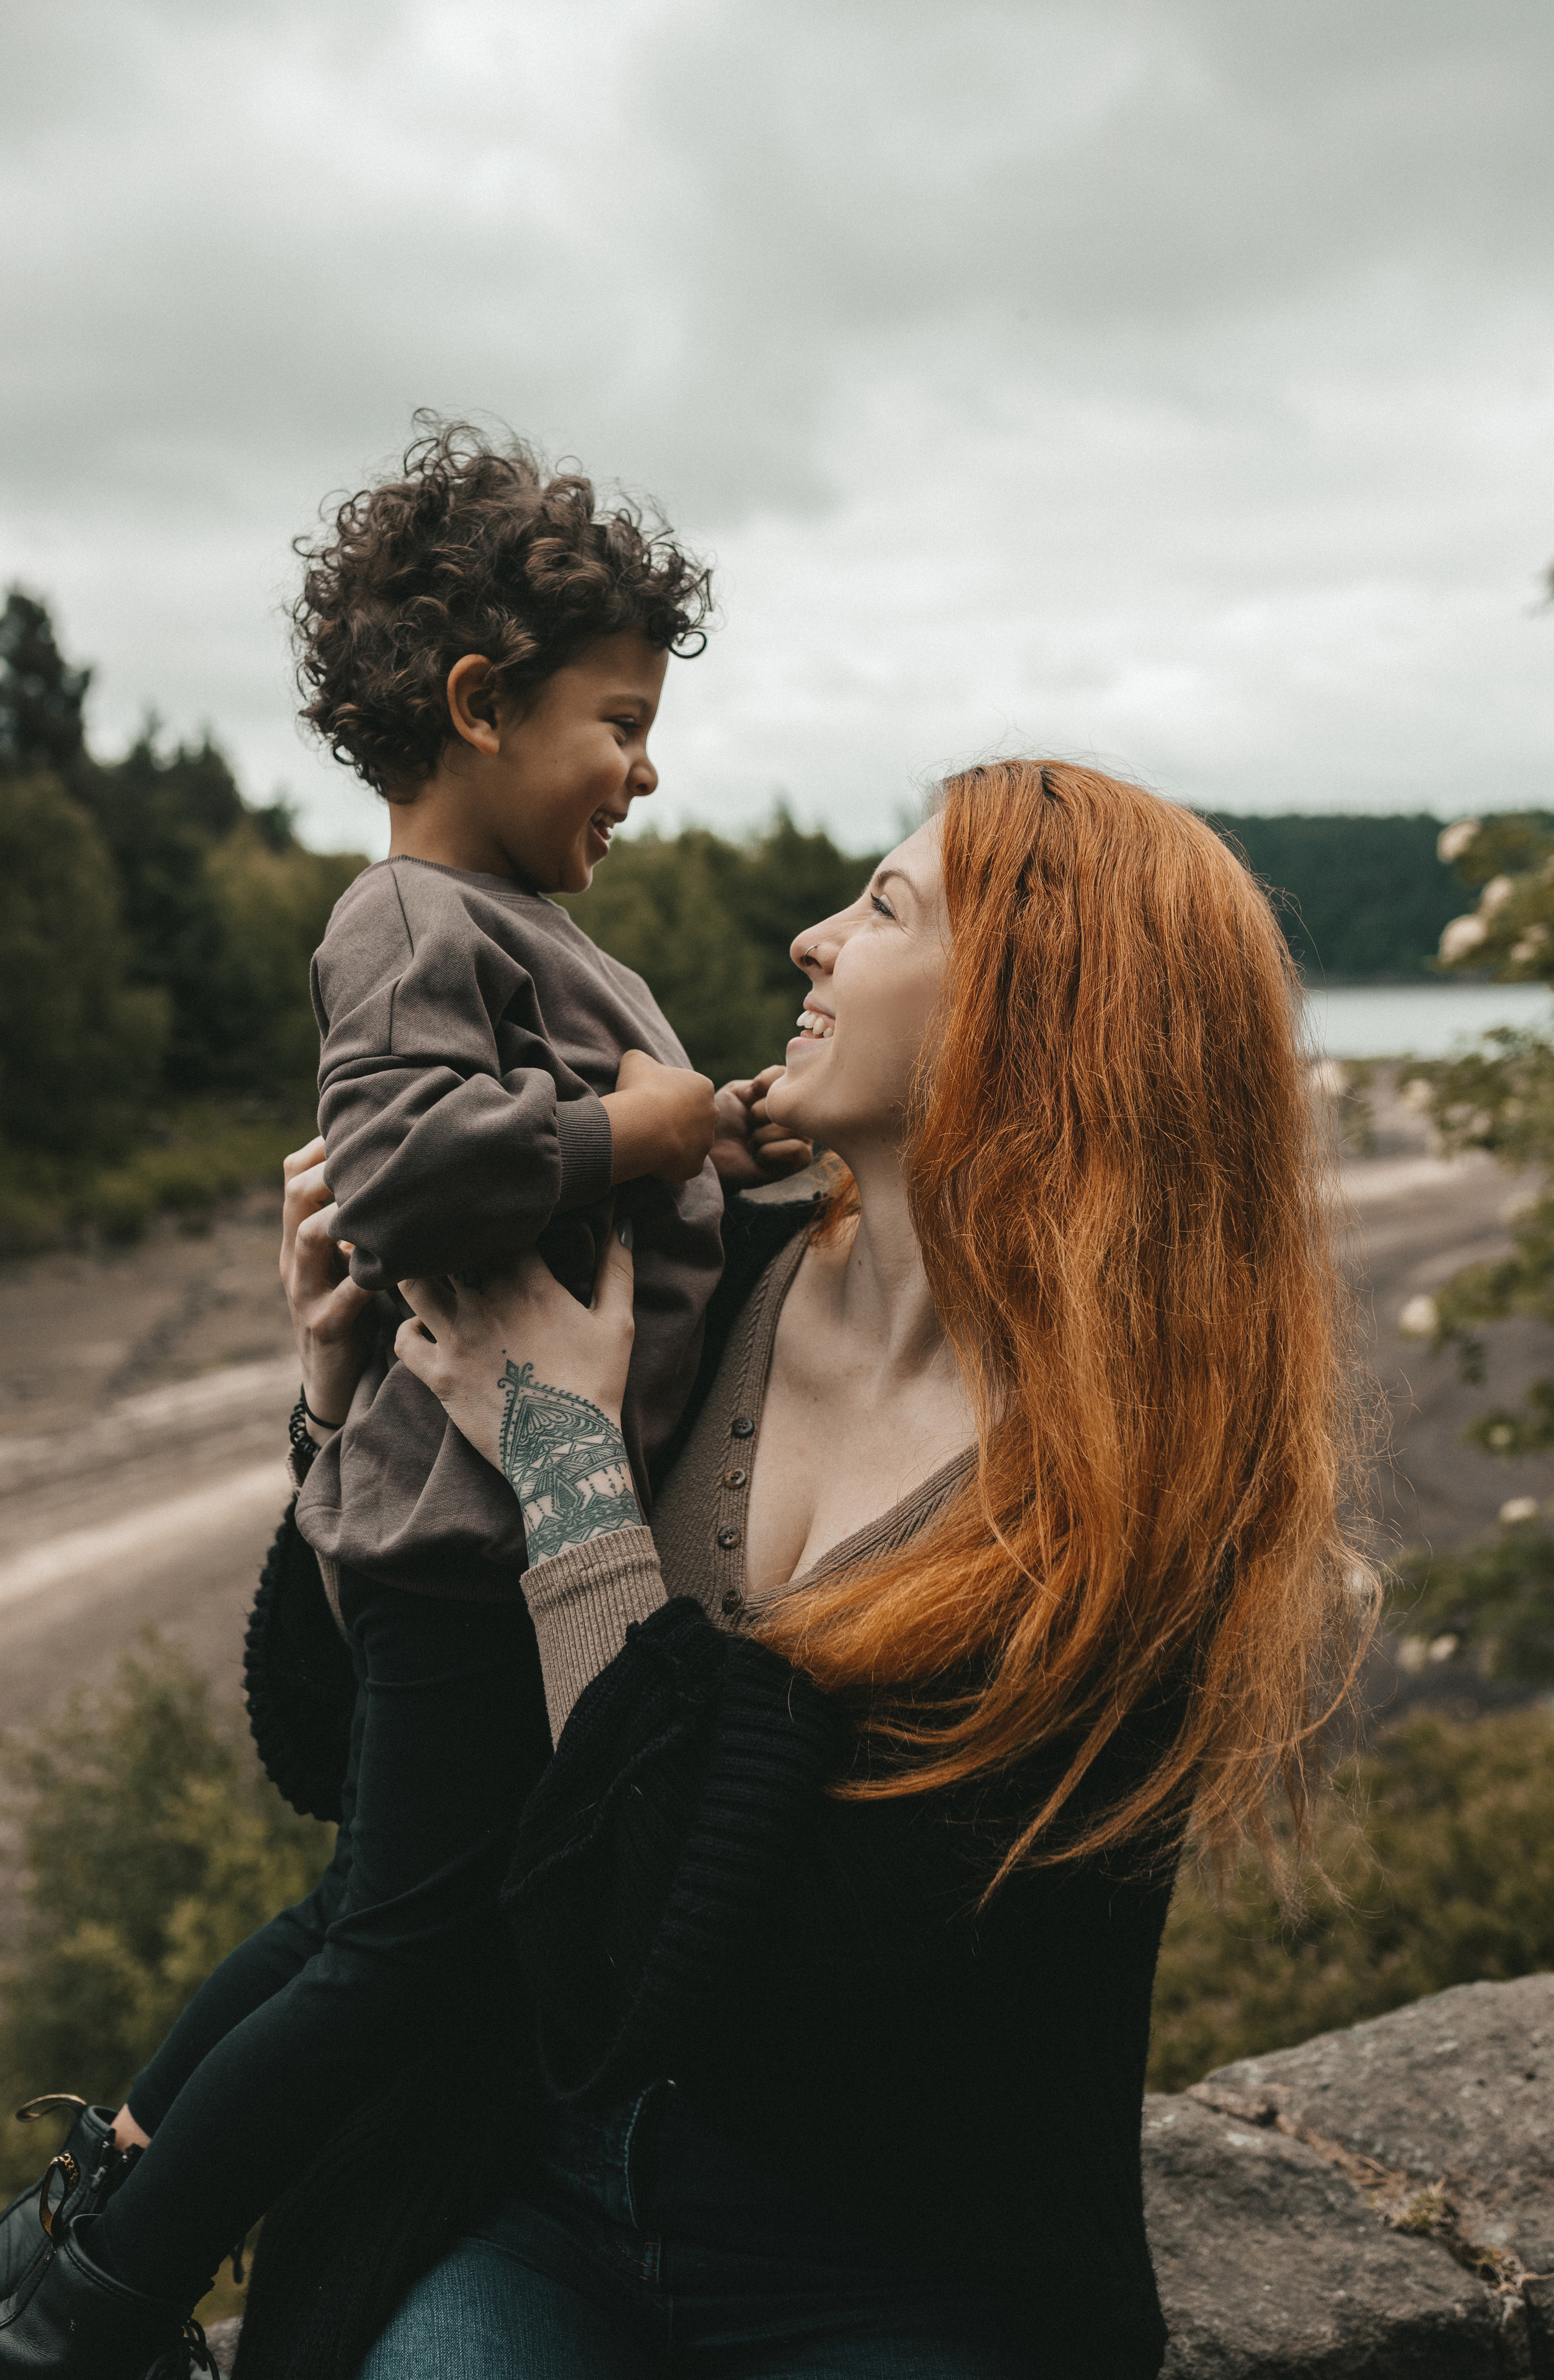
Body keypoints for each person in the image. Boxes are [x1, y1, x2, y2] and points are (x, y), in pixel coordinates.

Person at [239, 759, 1367, 2380]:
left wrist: (566, 1465)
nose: (811, 939)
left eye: (886, 909)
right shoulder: (696, 1287)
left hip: (894, 2267)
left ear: (1038, 1018)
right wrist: (339, 1400)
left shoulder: (1138, 1512)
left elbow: (727, 1983)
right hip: (525, 2189)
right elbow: (330, 1752)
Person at [0, 423, 800, 2380]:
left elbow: (581, 1168)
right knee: (405, 1960)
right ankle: (96, 2314)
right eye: (621, 723)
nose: (647, 769)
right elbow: (402, 1179)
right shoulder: (408, 920)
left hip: (463, 1534)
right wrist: (643, 1127)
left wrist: (720, 1139)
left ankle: (51, 2235)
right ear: (481, 706)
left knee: (361, 1918)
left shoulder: (529, 936)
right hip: (462, 1545)